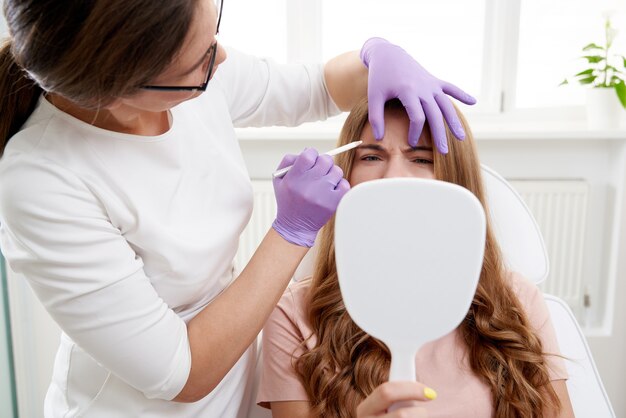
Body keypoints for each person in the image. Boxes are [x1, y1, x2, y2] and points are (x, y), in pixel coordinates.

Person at [0, 0, 478, 417]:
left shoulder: (183, 65)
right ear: (116, 91)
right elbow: (181, 374)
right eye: (200, 62)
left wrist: (375, 56)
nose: (220, 59)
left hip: (240, 395)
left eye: (214, 34)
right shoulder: (42, 181)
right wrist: (292, 231)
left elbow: (313, 87)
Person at [257, 99, 576, 418]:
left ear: (455, 179)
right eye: (371, 156)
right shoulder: (293, 314)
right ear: (347, 176)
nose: (394, 175)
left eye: (421, 158)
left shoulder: (517, 299)